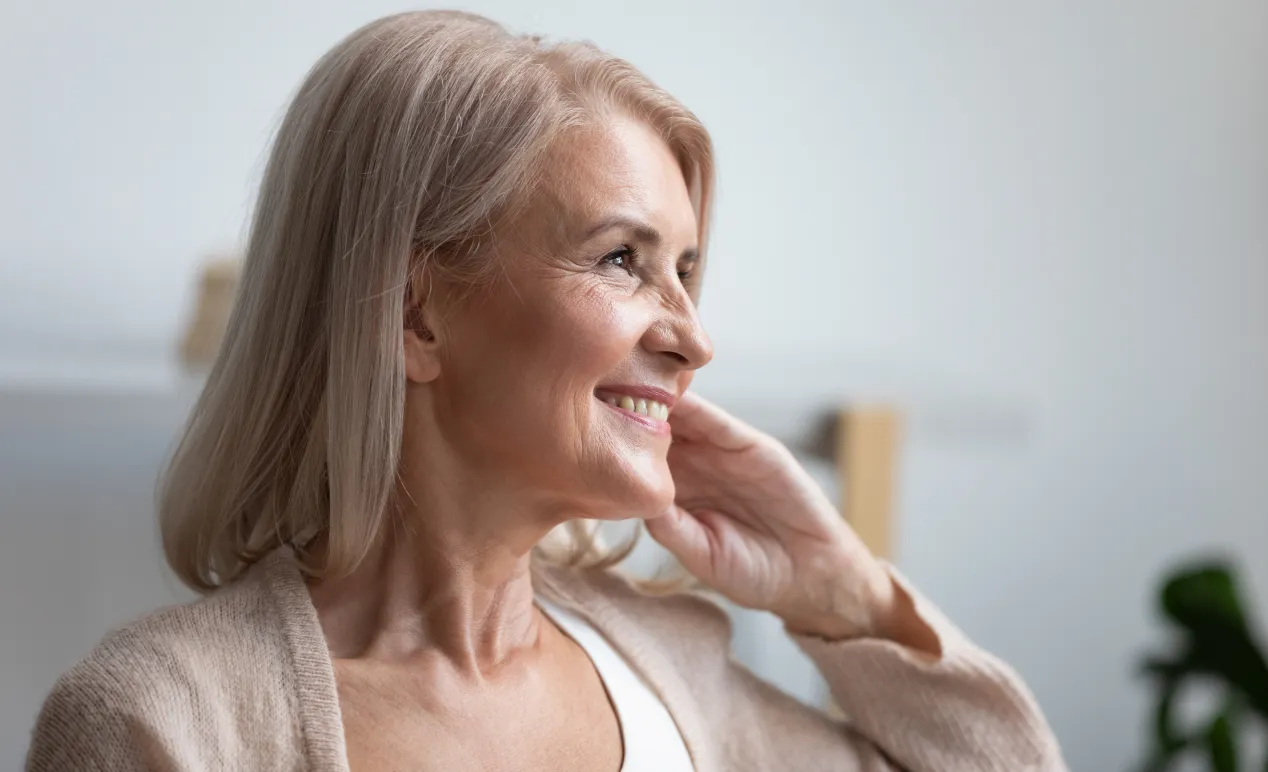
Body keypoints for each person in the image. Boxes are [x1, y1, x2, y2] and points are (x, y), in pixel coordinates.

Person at [26, 11, 1066, 771]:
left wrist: (840, 593)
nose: (691, 336)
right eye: (621, 259)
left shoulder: (671, 667)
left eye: (687, 270)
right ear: (414, 312)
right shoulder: (160, 723)